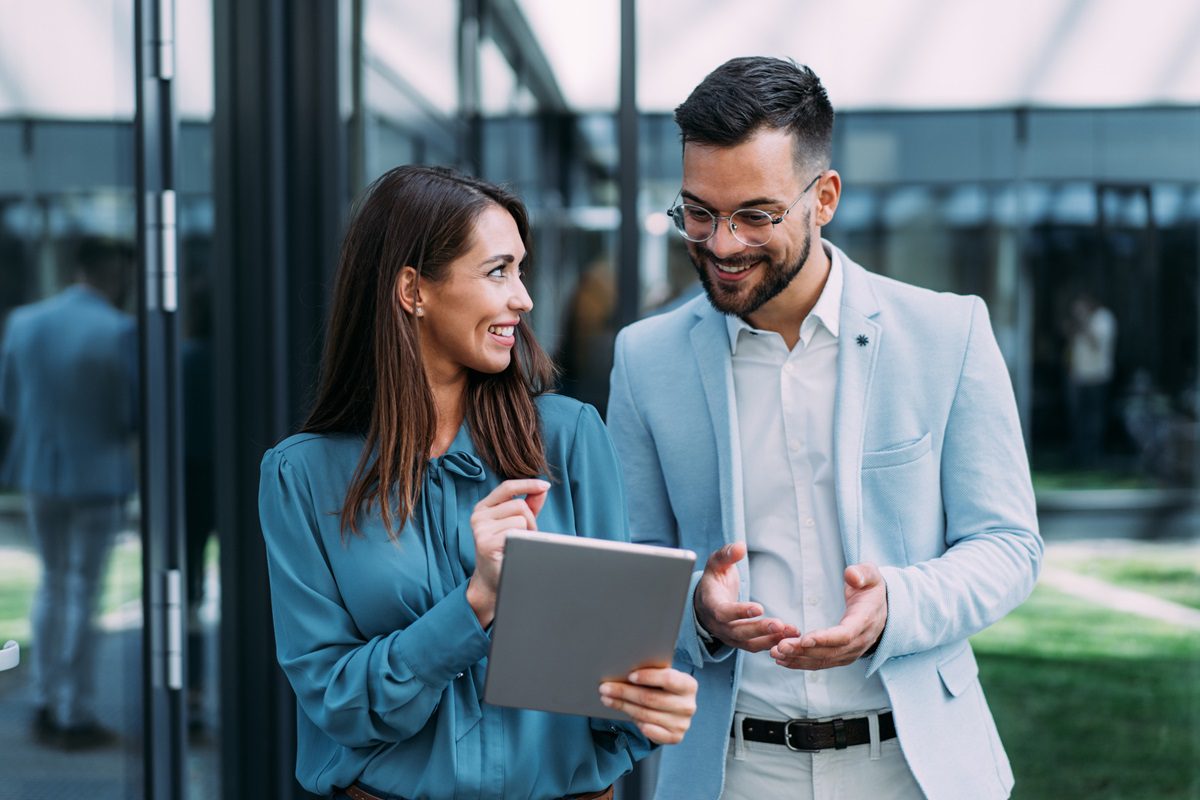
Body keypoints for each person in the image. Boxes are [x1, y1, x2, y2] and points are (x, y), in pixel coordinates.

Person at [606, 57, 1042, 800]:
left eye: (755, 215)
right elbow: (629, 561)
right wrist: (697, 611)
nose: (721, 245)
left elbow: (1009, 546)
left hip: (914, 766)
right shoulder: (644, 359)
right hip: (729, 768)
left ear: (825, 197)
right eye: (699, 213)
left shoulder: (948, 333)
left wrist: (895, 607)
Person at [258, 165, 697, 800]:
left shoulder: (570, 439)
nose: (523, 297)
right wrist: (477, 601)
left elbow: (610, 691)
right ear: (413, 289)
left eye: (521, 270)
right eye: (498, 272)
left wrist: (650, 704)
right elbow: (338, 704)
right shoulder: (302, 476)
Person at [0, 236, 137, 749]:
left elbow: (8, 400)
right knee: (83, 590)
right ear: (113, 273)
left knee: (52, 583)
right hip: (98, 476)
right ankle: (72, 710)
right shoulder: (120, 329)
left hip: (40, 469)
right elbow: (132, 411)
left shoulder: (24, 322)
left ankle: (42, 697)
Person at [1064, 289, 1117, 468]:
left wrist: (1083, 321)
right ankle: (1080, 454)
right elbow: (1073, 347)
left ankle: (1094, 455)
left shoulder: (1104, 319)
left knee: (1094, 419)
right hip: (1080, 376)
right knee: (1078, 418)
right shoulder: (1080, 323)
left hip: (1097, 376)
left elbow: (1095, 343)